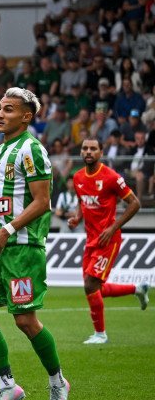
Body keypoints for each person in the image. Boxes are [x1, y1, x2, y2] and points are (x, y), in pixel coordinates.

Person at [0, 87, 69, 400]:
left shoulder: (31, 150)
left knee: (25, 321)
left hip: (21, 248)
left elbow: (42, 201)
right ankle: (8, 387)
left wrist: (7, 230)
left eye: (8, 109)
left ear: (26, 116)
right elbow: (3, 200)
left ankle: (58, 383)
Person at [68, 138, 148, 344]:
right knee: (96, 288)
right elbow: (82, 201)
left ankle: (100, 334)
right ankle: (137, 289)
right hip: (91, 240)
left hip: (108, 239)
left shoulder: (112, 177)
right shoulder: (78, 177)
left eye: (93, 149)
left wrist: (113, 228)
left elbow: (135, 203)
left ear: (101, 153)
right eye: (85, 148)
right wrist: (77, 217)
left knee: (90, 285)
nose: (88, 151)